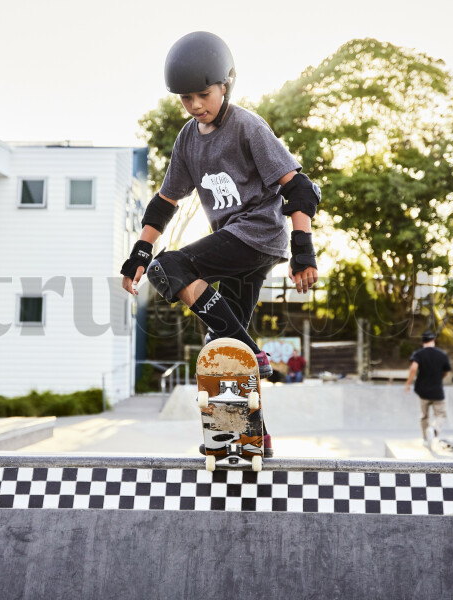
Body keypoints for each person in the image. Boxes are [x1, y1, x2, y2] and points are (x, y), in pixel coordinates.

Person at [120, 32, 321, 458]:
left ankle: (253, 352)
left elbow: (299, 187)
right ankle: (248, 436)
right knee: (221, 348)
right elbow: (165, 202)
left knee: (169, 268)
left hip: (256, 235)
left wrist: (304, 250)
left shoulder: (248, 126)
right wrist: (139, 251)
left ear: (225, 84)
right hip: (237, 245)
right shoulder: (188, 139)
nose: (195, 105)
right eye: (186, 98)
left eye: (203, 94)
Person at [404, 331, 452, 449]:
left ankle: (426, 438)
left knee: (424, 416)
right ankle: (433, 430)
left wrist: (408, 383)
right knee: (441, 415)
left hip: (423, 391)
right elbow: (446, 371)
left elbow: (413, 368)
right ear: (434, 341)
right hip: (437, 391)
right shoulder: (442, 354)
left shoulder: (418, 354)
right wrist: (440, 377)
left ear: (422, 342)